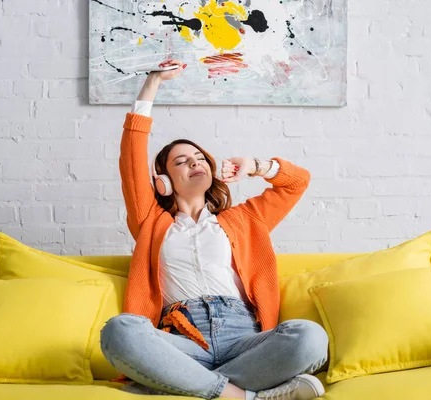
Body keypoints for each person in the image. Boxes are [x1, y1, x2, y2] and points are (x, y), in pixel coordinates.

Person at [99, 59, 328, 400]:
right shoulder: (151, 221)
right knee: (119, 331)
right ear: (162, 183)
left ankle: (181, 385)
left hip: (244, 339)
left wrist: (256, 166)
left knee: (310, 337)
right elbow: (131, 155)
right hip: (181, 341)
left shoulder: (245, 218)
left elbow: (297, 183)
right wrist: (153, 83)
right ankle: (245, 396)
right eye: (181, 161)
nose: (194, 162)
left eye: (199, 158)